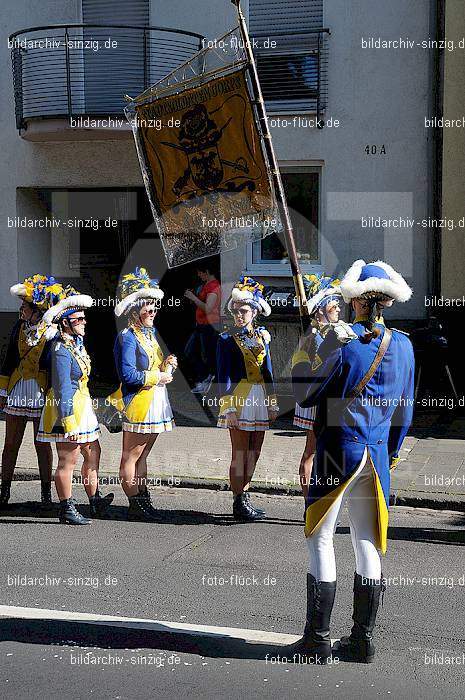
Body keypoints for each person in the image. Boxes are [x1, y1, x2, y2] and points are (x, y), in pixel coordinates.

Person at [289, 260, 414, 664]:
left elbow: (304, 395)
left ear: (357, 301)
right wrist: (390, 452)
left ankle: (317, 640)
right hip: (377, 454)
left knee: (320, 539)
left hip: (338, 448)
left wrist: (316, 346)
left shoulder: (343, 343)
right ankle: (362, 641)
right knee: (366, 541)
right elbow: (404, 411)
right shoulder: (405, 345)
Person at [37, 286, 114, 525]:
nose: (84, 322)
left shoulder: (76, 344)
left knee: (93, 451)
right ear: (64, 324)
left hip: (82, 407)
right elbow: (61, 388)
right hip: (66, 411)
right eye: (78, 319)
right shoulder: (60, 350)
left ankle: (94, 499)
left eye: (83, 318)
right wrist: (68, 422)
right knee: (67, 460)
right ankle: (66, 508)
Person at [112, 267, 177, 521]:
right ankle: (135, 504)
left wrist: (167, 364)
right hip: (138, 402)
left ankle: (143, 499)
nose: (153, 312)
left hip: (154, 400)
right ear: (134, 311)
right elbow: (128, 374)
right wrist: (157, 376)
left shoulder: (148, 334)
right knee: (131, 456)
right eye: (148, 308)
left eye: (154, 307)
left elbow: (152, 365)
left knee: (144, 454)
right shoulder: (127, 337)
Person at [217, 276, 279, 521]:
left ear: (255, 311)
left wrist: (273, 403)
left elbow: (269, 371)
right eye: (236, 310)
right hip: (239, 399)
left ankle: (246, 495)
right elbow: (223, 377)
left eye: (243, 311)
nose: (238, 315)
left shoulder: (263, 337)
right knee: (240, 452)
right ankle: (237, 501)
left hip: (260, 397)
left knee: (255, 451)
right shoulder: (225, 339)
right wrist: (228, 409)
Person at [0, 275, 63, 508]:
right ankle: (4, 491)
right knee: (10, 444)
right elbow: (8, 360)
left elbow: (55, 365)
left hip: (41, 392)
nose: (21, 309)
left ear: (37, 310)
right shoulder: (19, 327)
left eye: (25, 306)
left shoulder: (53, 332)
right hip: (18, 388)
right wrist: (2, 391)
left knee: (42, 444)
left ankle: (46, 495)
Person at [293, 274, 343, 499]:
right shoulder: (314, 335)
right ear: (321, 309)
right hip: (315, 397)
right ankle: (309, 500)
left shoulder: (329, 331)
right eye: (334, 306)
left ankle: (318, 498)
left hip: (327, 398)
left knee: (322, 451)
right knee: (311, 452)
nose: (339, 310)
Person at [184, 261, 221, 394]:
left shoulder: (214, 286)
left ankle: (206, 380)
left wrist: (193, 298)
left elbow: (208, 308)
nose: (199, 275)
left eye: (200, 272)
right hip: (200, 325)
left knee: (206, 355)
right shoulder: (206, 285)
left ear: (206, 271)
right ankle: (204, 379)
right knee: (190, 351)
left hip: (209, 326)